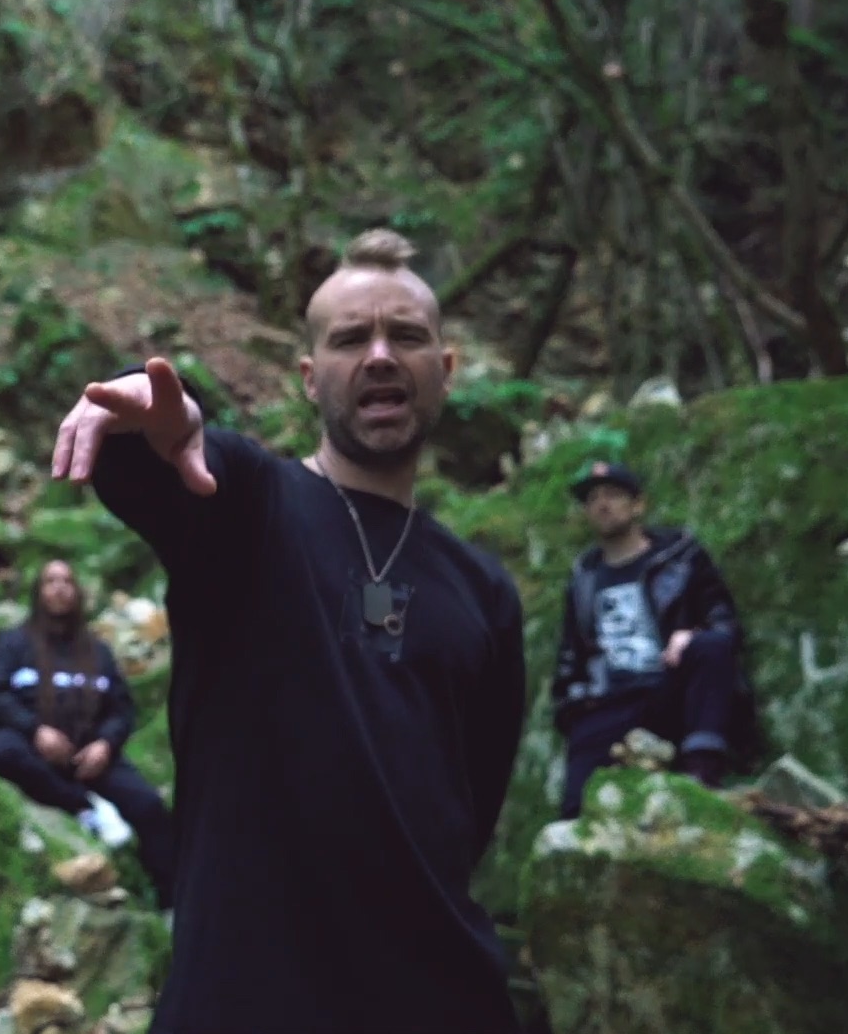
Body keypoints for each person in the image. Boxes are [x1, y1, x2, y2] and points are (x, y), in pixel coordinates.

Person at [50, 228, 527, 1034]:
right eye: (351, 338)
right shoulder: (251, 507)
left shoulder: (484, 591)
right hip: (246, 997)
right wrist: (156, 416)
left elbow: (469, 814)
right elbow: (167, 456)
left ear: (446, 369)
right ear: (310, 378)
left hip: (444, 1000)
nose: (381, 355)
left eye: (407, 336)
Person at [549, 460, 756, 819]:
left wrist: (692, 636)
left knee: (710, 648)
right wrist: (576, 704)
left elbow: (725, 624)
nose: (602, 505)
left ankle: (702, 777)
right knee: (576, 813)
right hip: (610, 702)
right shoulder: (584, 577)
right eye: (592, 499)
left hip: (669, 687)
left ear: (638, 504)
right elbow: (571, 657)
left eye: (613, 495)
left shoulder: (681, 557)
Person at [0, 559, 178, 910]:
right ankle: (84, 806)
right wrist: (35, 730)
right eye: (50, 581)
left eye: (67, 581)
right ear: (38, 592)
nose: (59, 588)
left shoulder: (96, 651)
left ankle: (172, 903)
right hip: (35, 749)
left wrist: (105, 744)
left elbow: (121, 709)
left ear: (77, 592)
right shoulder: (13, 643)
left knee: (148, 805)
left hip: (90, 756)